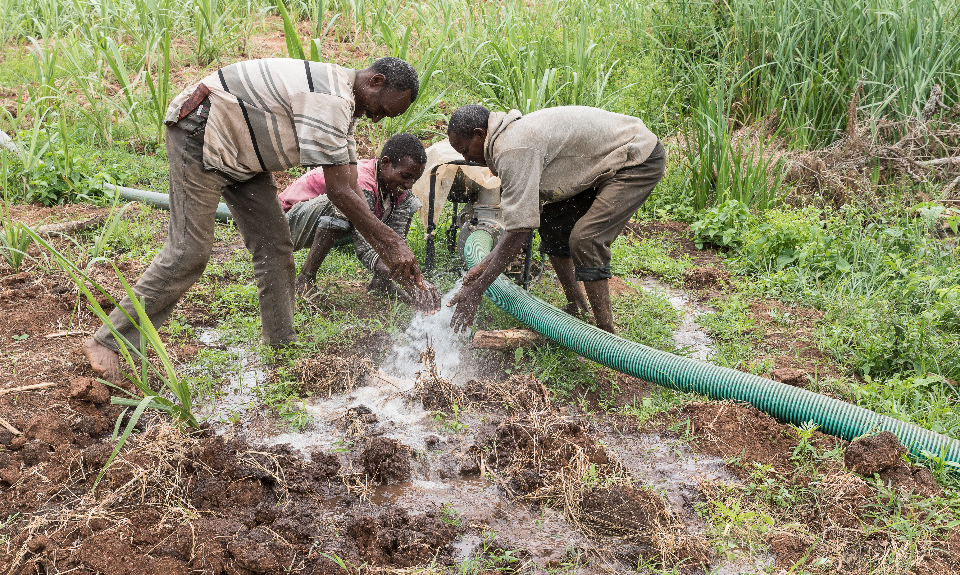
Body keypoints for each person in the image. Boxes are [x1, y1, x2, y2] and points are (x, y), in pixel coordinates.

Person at [82, 57, 440, 383]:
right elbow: (340, 193)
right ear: (375, 81)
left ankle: (281, 349)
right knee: (188, 251)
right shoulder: (332, 99)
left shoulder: (345, 106)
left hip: (244, 156)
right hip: (202, 134)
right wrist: (392, 244)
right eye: (382, 109)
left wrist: (390, 248)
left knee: (276, 249)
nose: (377, 119)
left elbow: (349, 186)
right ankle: (107, 340)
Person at [445, 104, 666, 334]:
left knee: (587, 239)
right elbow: (522, 224)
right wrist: (482, 266)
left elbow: (519, 230)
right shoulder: (507, 138)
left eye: (465, 150)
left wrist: (478, 289)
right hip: (606, 160)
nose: (467, 159)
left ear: (479, 134)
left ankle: (606, 338)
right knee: (551, 222)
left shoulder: (512, 148)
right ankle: (577, 307)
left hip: (636, 157)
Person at [280, 133, 426, 302]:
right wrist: (413, 282)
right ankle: (305, 278)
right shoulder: (362, 182)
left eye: (414, 179)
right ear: (385, 163)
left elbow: (393, 245)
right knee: (343, 201)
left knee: (411, 202)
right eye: (405, 176)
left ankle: (381, 282)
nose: (409, 185)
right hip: (284, 226)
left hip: (317, 226)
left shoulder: (399, 192)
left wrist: (402, 271)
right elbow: (367, 248)